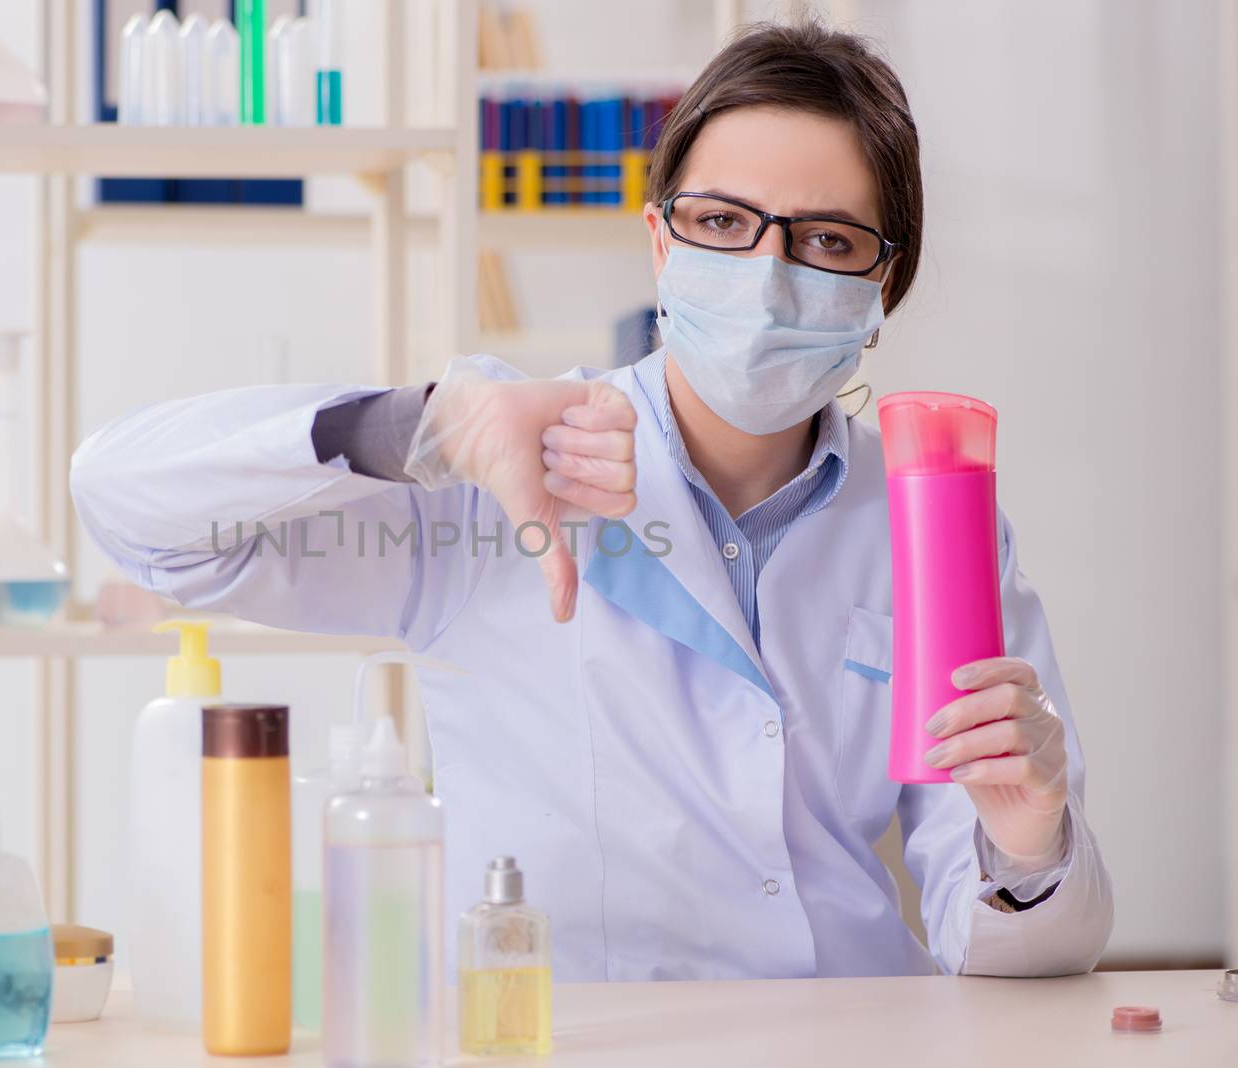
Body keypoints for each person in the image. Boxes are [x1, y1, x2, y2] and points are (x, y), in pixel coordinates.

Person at [71, 21, 1112, 979]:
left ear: (881, 289)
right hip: (571, 1035)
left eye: (827, 241)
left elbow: (1016, 955)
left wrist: (1026, 843)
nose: (767, 272)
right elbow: (129, 509)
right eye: (722, 222)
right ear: (661, 243)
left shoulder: (922, 521)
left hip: (849, 1033)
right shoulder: (491, 480)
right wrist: (412, 427)